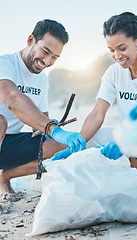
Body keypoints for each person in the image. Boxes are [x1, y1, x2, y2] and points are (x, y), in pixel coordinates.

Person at [54, 12, 137, 178]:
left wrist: (124, 143)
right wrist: (75, 148)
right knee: (90, 138)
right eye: (111, 50)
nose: (117, 56)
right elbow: (97, 114)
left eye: (122, 48)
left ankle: (135, 160)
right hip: (133, 140)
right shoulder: (114, 73)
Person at [0, 19, 86, 202]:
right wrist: (51, 128)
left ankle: (5, 177)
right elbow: (12, 99)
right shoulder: (5, 64)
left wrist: (54, 130)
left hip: (9, 144)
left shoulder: (42, 80)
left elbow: (40, 123)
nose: (47, 61)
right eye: (45, 52)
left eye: (55, 57)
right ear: (31, 40)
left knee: (62, 147)